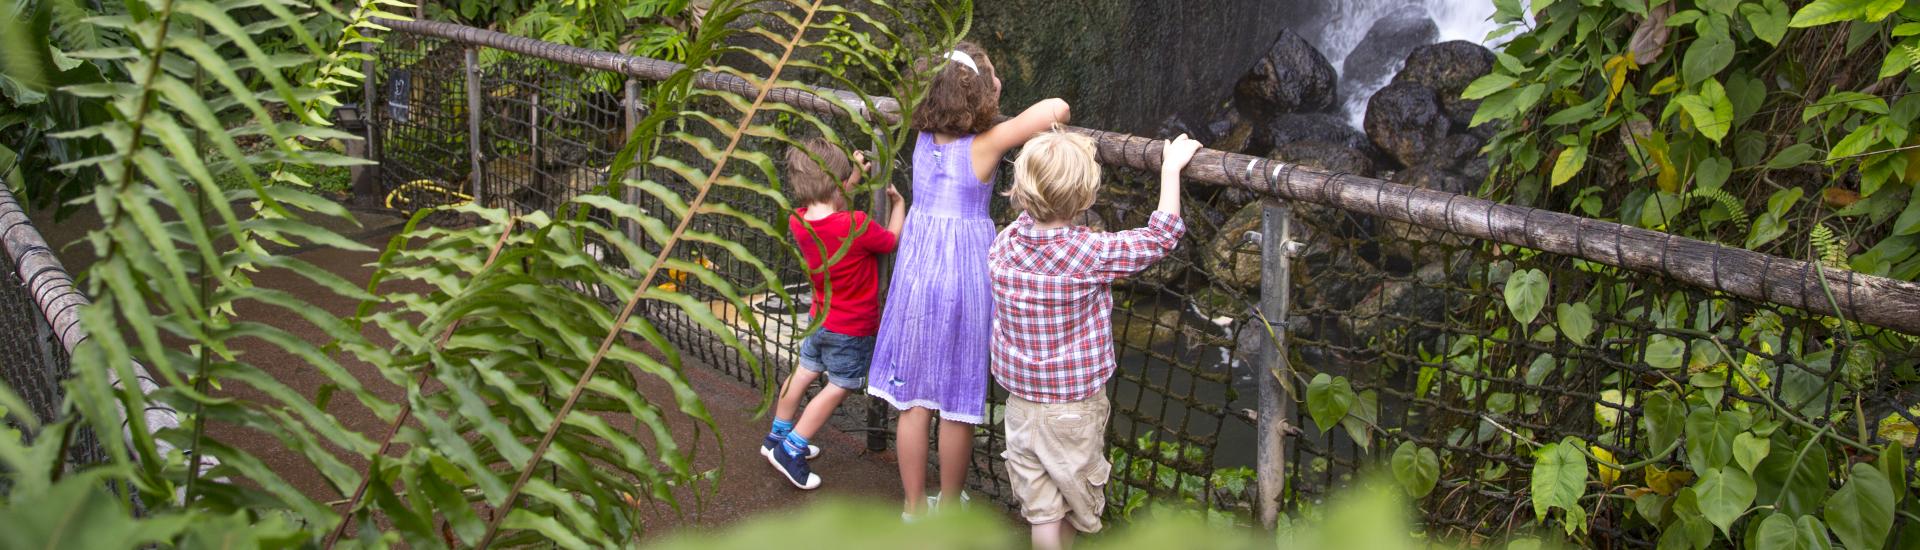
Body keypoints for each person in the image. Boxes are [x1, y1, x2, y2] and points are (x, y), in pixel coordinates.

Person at [866, 40, 1072, 519]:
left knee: (913, 401)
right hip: (964, 278)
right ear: (978, 95)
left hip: (917, 273)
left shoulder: (921, 140)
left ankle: (914, 508)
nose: (999, 83)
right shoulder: (987, 144)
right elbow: (1055, 108)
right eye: (992, 79)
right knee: (959, 399)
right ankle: (951, 503)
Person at [988, 129, 1200, 550]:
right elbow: (1160, 238)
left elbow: (1033, 217)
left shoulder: (1005, 243)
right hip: (1073, 408)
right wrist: (1170, 170)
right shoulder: (1089, 253)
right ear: (1086, 199)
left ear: (1019, 192)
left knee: (1043, 510)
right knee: (1074, 502)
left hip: (1020, 406)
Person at [764, 137, 906, 489]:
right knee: (839, 386)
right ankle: (792, 448)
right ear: (836, 182)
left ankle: (775, 438)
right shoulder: (857, 225)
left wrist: (852, 179)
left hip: (818, 320)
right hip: (850, 328)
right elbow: (889, 240)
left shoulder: (799, 220)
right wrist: (900, 205)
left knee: (802, 373)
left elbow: (831, 206)